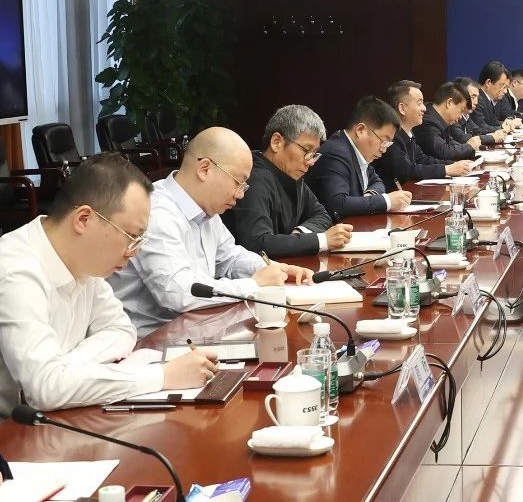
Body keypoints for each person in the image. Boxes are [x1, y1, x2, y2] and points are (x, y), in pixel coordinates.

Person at [0, 154, 218, 415]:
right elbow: (45, 388)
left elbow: (122, 329)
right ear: (83, 219)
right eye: (131, 236)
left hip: (61, 415)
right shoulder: (15, 271)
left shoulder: (83, 258)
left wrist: (68, 367)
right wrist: (162, 376)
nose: (134, 252)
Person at [113, 128, 315, 336]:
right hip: (152, 340)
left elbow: (230, 257)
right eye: (238, 182)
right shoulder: (157, 212)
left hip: (195, 328)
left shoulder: (205, 209)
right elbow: (178, 292)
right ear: (205, 169)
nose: (240, 195)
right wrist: (253, 285)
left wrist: (272, 268)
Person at [223, 104, 353, 258]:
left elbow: (322, 215)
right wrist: (321, 240)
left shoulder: (292, 174)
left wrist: (299, 234)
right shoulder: (254, 179)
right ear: (276, 142)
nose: (311, 161)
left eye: (314, 154)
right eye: (306, 150)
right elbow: (257, 244)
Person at [305, 96, 414, 219]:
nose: (384, 149)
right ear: (360, 130)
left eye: (387, 144)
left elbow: (377, 181)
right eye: (383, 141)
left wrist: (370, 196)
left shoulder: (356, 150)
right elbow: (338, 204)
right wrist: (386, 201)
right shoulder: (336, 153)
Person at [374, 80, 472, 186]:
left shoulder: (408, 132)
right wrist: (446, 169)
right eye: (419, 103)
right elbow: (407, 170)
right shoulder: (390, 136)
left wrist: (454, 165)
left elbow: (422, 159)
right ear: (402, 108)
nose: (424, 108)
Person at [416, 83, 482, 162]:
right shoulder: (427, 121)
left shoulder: (440, 119)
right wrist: (469, 146)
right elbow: (442, 151)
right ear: (449, 103)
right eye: (461, 110)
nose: (461, 117)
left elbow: (449, 143)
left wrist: (469, 147)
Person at [453, 76, 506, 145]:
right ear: (460, 96)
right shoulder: (454, 117)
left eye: (477, 97)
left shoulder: (466, 116)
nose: (476, 102)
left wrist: (499, 131)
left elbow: (478, 130)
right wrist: (492, 137)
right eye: (473, 97)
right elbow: (463, 138)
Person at [475, 61, 519, 133]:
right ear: (488, 83)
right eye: (502, 85)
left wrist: (507, 123)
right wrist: (503, 127)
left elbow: (494, 122)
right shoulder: (477, 99)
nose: (505, 91)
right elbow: (480, 127)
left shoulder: (488, 100)